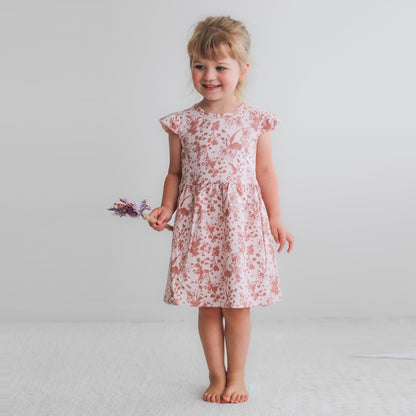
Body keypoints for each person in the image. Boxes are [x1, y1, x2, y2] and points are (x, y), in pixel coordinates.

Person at [148, 15, 294, 404]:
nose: (208, 75)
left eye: (219, 67)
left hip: (241, 226)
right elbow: (175, 172)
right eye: (199, 65)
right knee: (208, 306)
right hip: (201, 226)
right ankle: (215, 375)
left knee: (237, 305)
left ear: (243, 70)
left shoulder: (254, 121)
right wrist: (166, 206)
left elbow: (265, 171)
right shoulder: (184, 123)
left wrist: (276, 217)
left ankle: (237, 377)